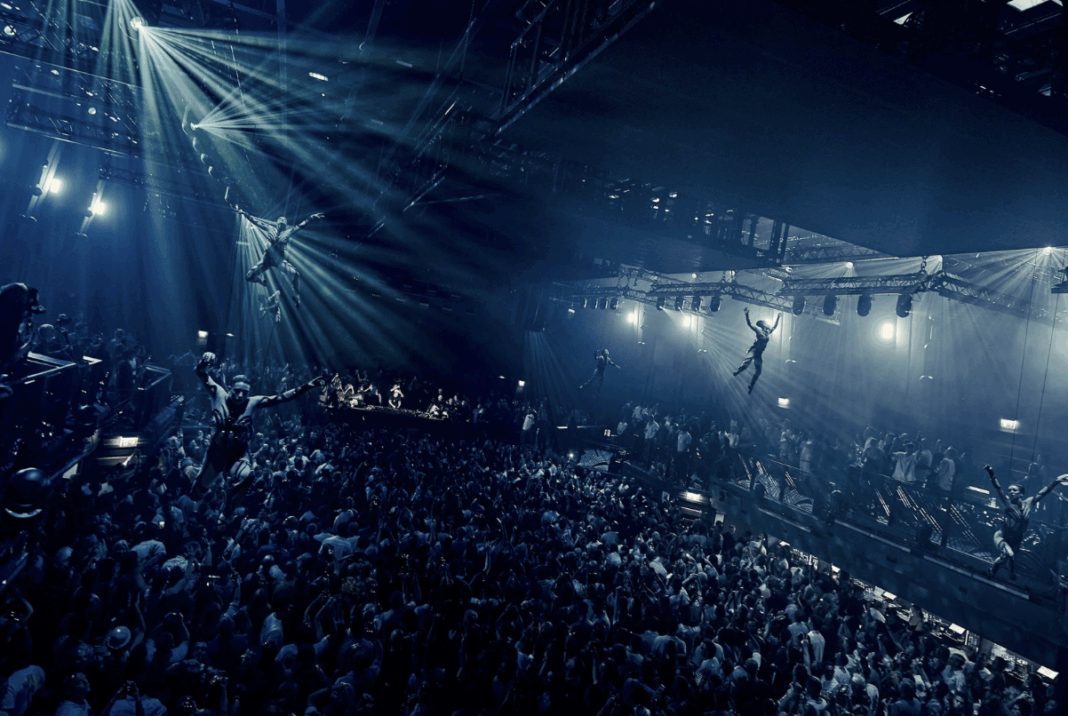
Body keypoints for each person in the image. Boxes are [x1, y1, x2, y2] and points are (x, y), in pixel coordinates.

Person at [189, 351, 324, 509]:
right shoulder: (219, 394)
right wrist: (204, 362)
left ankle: (226, 511)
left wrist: (308, 386)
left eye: (244, 393)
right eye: (237, 391)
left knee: (247, 477)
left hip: (236, 456)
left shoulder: (253, 402)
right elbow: (201, 374)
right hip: (215, 454)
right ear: (230, 388)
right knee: (197, 492)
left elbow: (282, 397)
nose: (240, 396)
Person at [984, 464, 1068, 579]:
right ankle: (1011, 573)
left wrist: (1056, 481)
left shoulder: (1028, 503)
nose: (1011, 492)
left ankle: (992, 572)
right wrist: (991, 473)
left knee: (1004, 558)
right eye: (1009, 490)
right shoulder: (1008, 504)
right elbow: (998, 488)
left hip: (1016, 538)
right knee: (1009, 554)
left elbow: (1043, 493)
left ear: (1021, 493)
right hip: (1002, 535)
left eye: (1014, 490)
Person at [239, 208, 324, 307]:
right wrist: (245, 214)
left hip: (279, 260)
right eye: (280, 223)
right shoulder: (270, 228)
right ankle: (261, 282)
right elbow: (256, 222)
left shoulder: (288, 232)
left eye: (283, 224)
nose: (281, 225)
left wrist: (310, 218)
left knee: (295, 274)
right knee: (248, 276)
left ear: (285, 225)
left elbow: (300, 226)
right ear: (277, 224)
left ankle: (297, 296)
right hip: (266, 260)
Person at [732, 307, 781, 394]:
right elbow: (749, 324)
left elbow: (775, 326)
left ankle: (751, 386)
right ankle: (738, 371)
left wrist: (778, 317)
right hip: (754, 349)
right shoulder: (759, 330)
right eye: (766, 325)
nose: (768, 327)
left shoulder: (768, 333)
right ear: (763, 326)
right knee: (747, 361)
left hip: (759, 353)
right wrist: (746, 314)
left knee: (758, 371)